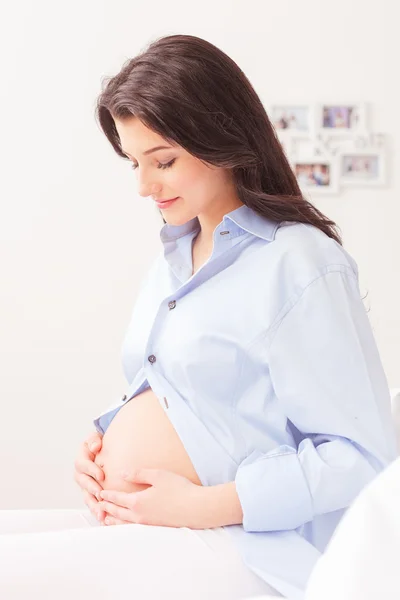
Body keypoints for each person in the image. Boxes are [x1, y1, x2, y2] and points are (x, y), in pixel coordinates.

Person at [0, 33, 396, 600]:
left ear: (224, 140)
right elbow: (190, 395)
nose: (143, 186)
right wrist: (102, 438)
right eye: (135, 163)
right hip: (156, 527)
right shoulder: (174, 256)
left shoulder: (300, 261)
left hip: (243, 543)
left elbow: (359, 456)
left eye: (163, 161)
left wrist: (203, 505)